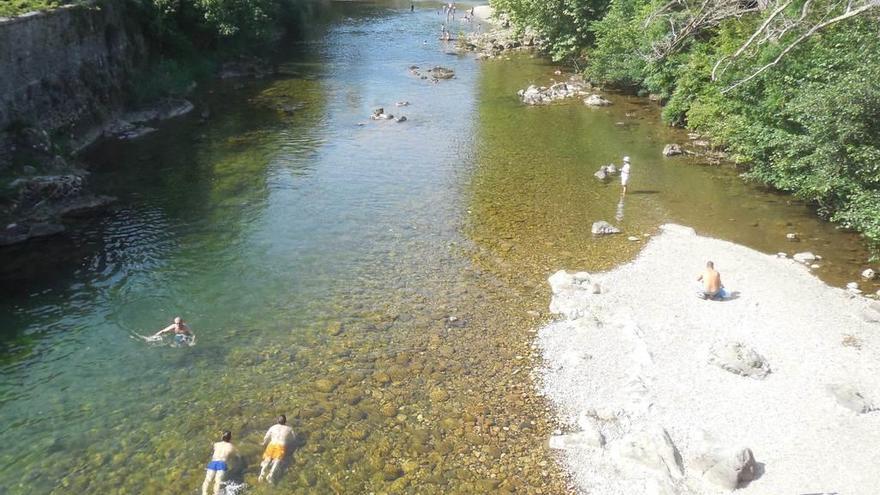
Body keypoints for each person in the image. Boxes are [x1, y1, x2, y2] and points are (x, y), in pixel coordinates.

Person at [259, 414, 295, 483]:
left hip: (271, 444)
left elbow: (266, 437)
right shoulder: (289, 429)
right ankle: (270, 474)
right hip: (281, 445)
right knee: (277, 460)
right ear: (286, 421)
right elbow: (293, 439)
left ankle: (262, 473)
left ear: (277, 421)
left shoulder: (272, 427)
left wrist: (263, 443)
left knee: (268, 458)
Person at [202, 431, 235, 495]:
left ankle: (204, 493)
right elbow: (233, 455)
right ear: (230, 438)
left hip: (213, 462)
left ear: (222, 437)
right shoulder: (231, 447)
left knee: (207, 480)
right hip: (222, 463)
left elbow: (214, 449)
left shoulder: (216, 444)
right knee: (217, 481)